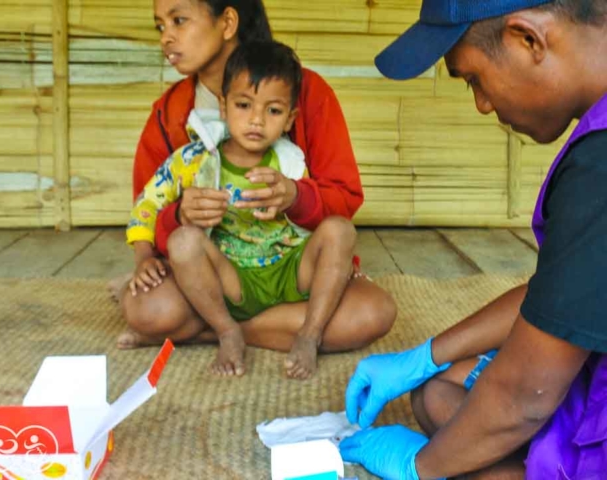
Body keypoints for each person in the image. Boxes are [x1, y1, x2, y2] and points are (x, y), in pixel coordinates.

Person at [340, 0, 607, 479]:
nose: (482, 104)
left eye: (473, 79)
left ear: (529, 39)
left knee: (471, 430)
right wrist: (422, 357)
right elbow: (569, 294)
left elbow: (526, 395)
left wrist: (418, 466)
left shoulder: (600, 169)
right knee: (439, 389)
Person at [117, 0, 397, 373]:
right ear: (223, 105)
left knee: (373, 312)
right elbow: (149, 208)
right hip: (218, 275)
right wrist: (180, 215)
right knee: (146, 310)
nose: (166, 37)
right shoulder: (169, 113)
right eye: (160, 26)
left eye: (179, 20)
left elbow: (344, 199)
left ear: (227, 21)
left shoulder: (305, 91)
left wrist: (296, 196)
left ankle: (211, 331)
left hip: (292, 269)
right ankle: (243, 326)